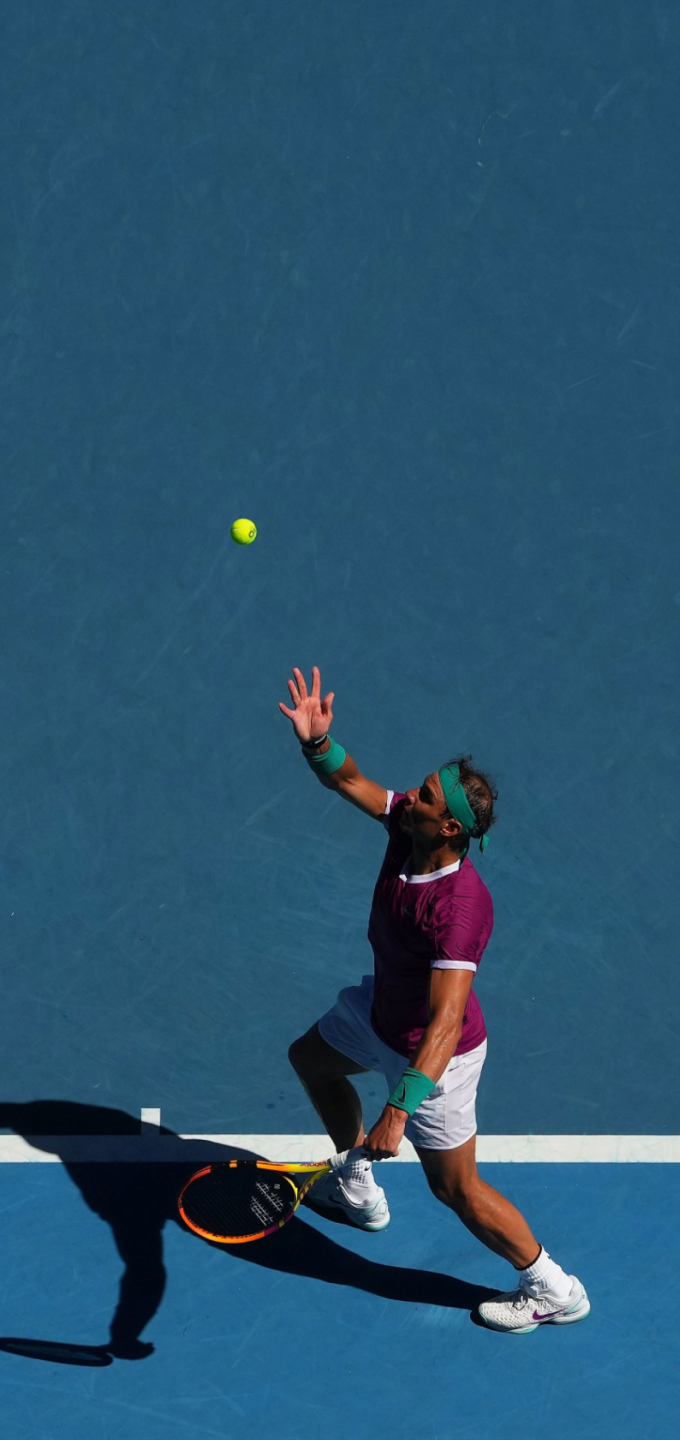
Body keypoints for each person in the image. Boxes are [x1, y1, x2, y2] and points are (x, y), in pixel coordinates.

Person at [279, 666, 590, 1335]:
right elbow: (349, 780)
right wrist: (317, 744)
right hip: (381, 1014)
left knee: (456, 1190)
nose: (407, 797)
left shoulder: (459, 907)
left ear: (448, 826)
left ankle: (552, 1287)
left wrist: (398, 1110)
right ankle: (356, 1187)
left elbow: (446, 1021)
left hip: (435, 1061)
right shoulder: (408, 829)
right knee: (312, 1060)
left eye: (421, 796)